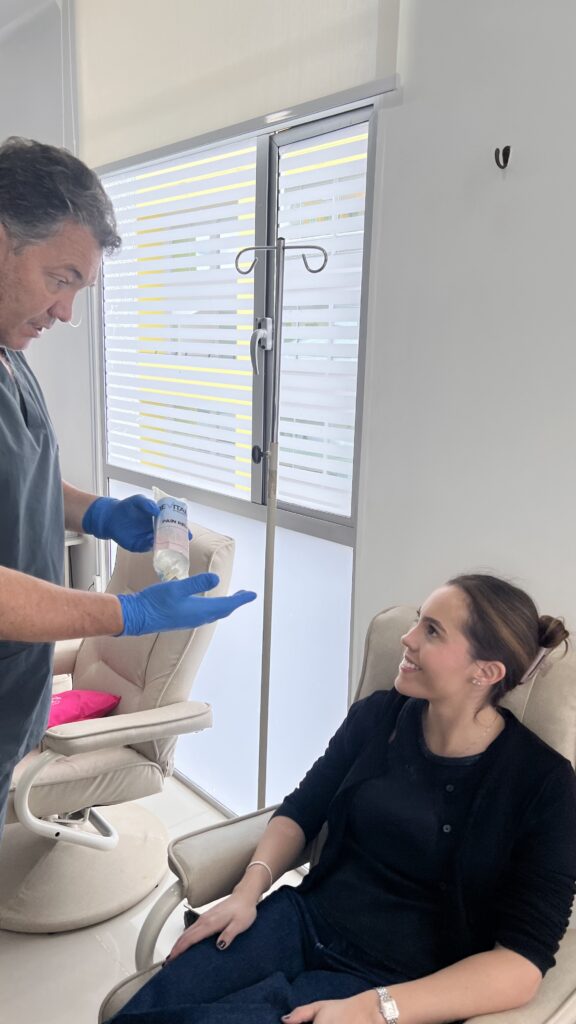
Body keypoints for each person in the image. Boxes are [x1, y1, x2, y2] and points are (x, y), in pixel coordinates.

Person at [109, 574, 576, 1024]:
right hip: (302, 921)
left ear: (486, 672)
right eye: (418, 619)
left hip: (398, 981)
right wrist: (247, 893)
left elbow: (522, 962)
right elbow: (301, 810)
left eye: (432, 631)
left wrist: (377, 1009)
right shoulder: (377, 717)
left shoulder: (545, 784)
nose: (408, 638)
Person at [0, 136, 256, 837]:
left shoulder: (11, 353)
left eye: (78, 290)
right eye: (60, 279)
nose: (65, 312)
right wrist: (124, 613)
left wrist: (100, 513)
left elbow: (22, 473)